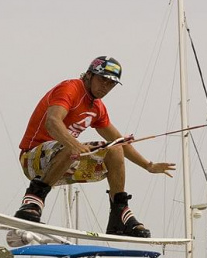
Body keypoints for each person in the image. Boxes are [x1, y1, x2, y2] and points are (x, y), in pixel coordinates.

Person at [14, 56, 176, 238]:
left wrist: (148, 166)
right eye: (102, 80)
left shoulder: (98, 107)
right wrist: (74, 144)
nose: (105, 87)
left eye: (111, 84)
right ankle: (33, 201)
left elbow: (119, 140)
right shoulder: (70, 88)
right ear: (90, 75)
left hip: (63, 165)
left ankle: (119, 215)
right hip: (32, 160)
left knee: (114, 148)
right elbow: (52, 122)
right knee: (71, 146)